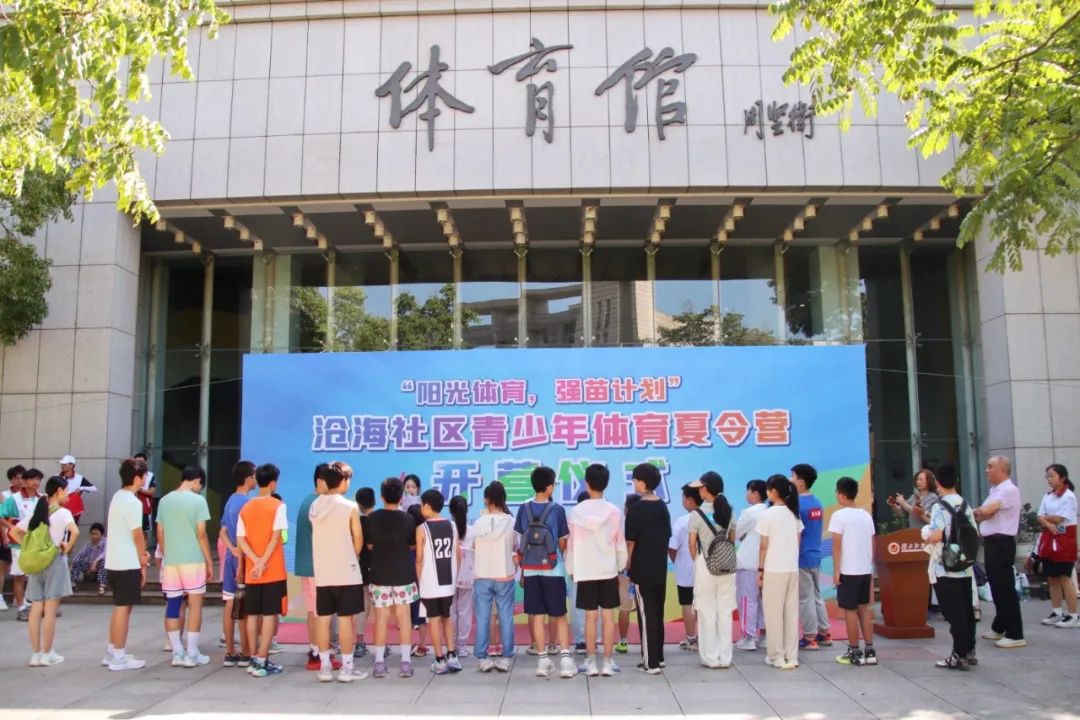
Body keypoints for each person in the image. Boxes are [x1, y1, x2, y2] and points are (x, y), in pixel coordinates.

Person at [514, 465, 576, 679]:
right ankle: (565, 661)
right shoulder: (557, 510)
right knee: (559, 615)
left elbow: (519, 540)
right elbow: (563, 542)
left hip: (531, 570)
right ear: (550, 487)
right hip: (554, 570)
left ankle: (542, 661)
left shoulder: (523, 509)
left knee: (538, 616)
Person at [567, 463, 627, 678]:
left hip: (585, 570)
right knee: (608, 617)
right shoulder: (614, 511)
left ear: (587, 484)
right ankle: (608, 662)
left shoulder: (576, 512)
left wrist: (572, 568)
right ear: (606, 484)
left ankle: (591, 662)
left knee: (590, 618)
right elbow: (620, 544)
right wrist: (620, 565)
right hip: (608, 570)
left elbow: (572, 544)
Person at [309, 463, 367, 682]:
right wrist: (353, 556)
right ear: (343, 481)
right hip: (346, 572)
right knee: (345, 620)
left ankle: (325, 667)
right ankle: (347, 668)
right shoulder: (350, 506)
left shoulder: (315, 505)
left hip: (323, 571)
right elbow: (358, 538)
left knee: (323, 619)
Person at [11, 476, 78, 666]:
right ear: (59, 491)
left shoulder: (38, 512)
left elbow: (14, 531)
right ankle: (48, 653)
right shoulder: (64, 513)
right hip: (54, 560)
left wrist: (29, 547)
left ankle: (36, 654)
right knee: (50, 609)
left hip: (36, 562)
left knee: (36, 607)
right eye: (66, 491)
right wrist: (66, 547)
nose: (68, 494)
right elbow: (75, 532)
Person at [921, 466, 978, 669]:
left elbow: (937, 535)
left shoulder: (940, 506)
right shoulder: (965, 504)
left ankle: (958, 655)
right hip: (964, 565)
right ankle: (969, 650)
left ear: (937, 482)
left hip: (945, 566)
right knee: (966, 610)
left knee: (954, 613)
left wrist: (926, 532)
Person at [157, 465, 214, 668]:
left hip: (171, 561)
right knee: (195, 605)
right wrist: (209, 561)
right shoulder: (198, 501)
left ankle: (177, 652)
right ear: (197, 480)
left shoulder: (164, 501)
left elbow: (160, 533)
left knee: (173, 606)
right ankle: (192, 652)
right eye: (200, 485)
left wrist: (168, 555)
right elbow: (201, 534)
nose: (199, 489)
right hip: (193, 560)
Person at [237, 463, 289, 677]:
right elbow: (276, 536)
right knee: (269, 615)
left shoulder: (246, 507)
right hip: (272, 569)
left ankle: (253, 658)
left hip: (252, 572)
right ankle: (261, 661)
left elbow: (241, 539)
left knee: (252, 614)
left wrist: (255, 561)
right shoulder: (278, 506)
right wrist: (263, 561)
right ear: (273, 483)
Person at [367, 477, 418, 679]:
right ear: (401, 497)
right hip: (403, 573)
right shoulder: (408, 519)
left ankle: (379, 663)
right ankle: (405, 662)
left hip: (379, 573)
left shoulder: (372, 518)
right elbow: (412, 545)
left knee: (381, 617)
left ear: (382, 497)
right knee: (404, 617)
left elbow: (369, 545)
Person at [103, 457, 151, 671]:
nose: (145, 480)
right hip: (127, 562)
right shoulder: (133, 502)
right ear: (137, 478)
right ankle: (119, 656)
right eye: (144, 476)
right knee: (124, 609)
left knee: (120, 607)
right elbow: (137, 533)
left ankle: (113, 651)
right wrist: (143, 557)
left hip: (114, 561)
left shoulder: (118, 496)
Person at [974, 455, 1025, 648]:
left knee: (1005, 588)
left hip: (1002, 542)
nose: (986, 470)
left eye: (990, 466)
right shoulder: (995, 490)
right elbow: (983, 513)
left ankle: (1015, 633)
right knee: (996, 586)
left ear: (1002, 469)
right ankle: (1000, 626)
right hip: (992, 543)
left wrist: (982, 512)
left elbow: (986, 511)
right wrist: (982, 512)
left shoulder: (1009, 490)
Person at [625, 463, 672, 675]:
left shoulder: (636, 509)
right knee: (657, 612)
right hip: (659, 567)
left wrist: (626, 564)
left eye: (635, 479)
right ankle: (658, 657)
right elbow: (666, 536)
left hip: (642, 569)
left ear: (642, 482)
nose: (634, 483)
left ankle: (650, 662)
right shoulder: (662, 506)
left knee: (646, 615)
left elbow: (630, 542)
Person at [688, 471, 736, 669]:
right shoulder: (729, 511)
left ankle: (711, 657)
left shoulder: (696, 514)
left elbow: (692, 544)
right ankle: (725, 657)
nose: (699, 490)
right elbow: (732, 538)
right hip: (727, 565)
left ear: (706, 489)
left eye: (700, 487)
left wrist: (698, 560)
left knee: (707, 610)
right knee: (725, 611)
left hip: (705, 564)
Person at [829, 477, 877, 666]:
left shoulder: (839, 516)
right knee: (864, 609)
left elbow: (836, 546)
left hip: (848, 571)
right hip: (865, 570)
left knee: (850, 611)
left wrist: (836, 571)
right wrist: (868, 564)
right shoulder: (866, 515)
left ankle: (854, 651)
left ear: (841, 494)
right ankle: (870, 651)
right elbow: (872, 543)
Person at [757, 474, 803, 670]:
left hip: (774, 569)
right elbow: (798, 542)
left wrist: (760, 570)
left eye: (768, 489)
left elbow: (763, 547)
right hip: (791, 568)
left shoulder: (768, 514)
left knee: (773, 614)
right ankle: (791, 656)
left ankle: (776, 656)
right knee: (791, 613)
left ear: (774, 491)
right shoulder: (794, 514)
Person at [472, 481, 517, 673]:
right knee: (506, 615)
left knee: (483, 616)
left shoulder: (478, 523)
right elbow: (515, 547)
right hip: (504, 573)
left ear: (486, 499)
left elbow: (474, 546)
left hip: (482, 573)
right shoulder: (511, 522)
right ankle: (506, 656)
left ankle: (483, 657)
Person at [416, 489, 461, 674]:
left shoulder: (422, 528)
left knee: (433, 619)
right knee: (447, 618)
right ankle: (452, 655)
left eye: (421, 504)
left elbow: (419, 559)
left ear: (427, 505)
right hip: (448, 582)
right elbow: (458, 555)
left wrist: (419, 581)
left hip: (430, 583)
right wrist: (454, 576)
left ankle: (440, 659)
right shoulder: (452, 525)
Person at [297, 465, 333, 672]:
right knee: (319, 613)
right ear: (320, 481)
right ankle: (320, 655)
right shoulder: (317, 503)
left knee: (313, 611)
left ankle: (315, 651)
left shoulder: (308, 501)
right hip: (316, 567)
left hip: (309, 565)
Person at [792, 463, 830, 651]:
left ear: (801, 482)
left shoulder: (797, 504)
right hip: (815, 554)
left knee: (805, 598)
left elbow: (797, 533)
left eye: (793, 476)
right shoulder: (817, 502)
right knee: (816, 595)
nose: (790, 480)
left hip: (802, 556)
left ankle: (809, 637)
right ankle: (824, 632)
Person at [221, 461, 255, 667]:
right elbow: (245, 535)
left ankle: (229, 652)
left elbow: (223, 531)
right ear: (248, 478)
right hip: (243, 560)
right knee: (244, 606)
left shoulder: (230, 501)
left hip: (230, 558)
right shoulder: (247, 503)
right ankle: (245, 652)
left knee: (230, 603)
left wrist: (232, 549)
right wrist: (240, 553)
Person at [1036, 464, 1078, 628]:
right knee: (1052, 577)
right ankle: (1057, 611)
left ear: (1063, 477)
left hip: (1064, 540)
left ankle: (1073, 615)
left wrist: (1046, 519)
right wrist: (1047, 522)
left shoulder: (1068, 496)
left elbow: (1059, 518)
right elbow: (1039, 516)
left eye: (1052, 476)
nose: (1049, 479)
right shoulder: (1048, 496)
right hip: (1049, 539)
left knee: (1064, 577)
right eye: (1047, 476)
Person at [1, 466, 39, 620]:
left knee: (36, 576)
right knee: (20, 576)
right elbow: (1, 515)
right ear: (24, 481)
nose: (36, 482)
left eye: (38, 479)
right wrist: (13, 528)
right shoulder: (14, 499)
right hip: (19, 544)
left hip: (36, 543)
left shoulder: (41, 498)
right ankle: (21, 608)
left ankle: (37, 605)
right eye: (32, 479)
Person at [735, 479, 768, 651]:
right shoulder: (768, 511)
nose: (746, 494)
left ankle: (748, 637)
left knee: (747, 600)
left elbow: (735, 533)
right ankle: (763, 635)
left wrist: (742, 534)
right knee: (761, 600)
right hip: (764, 563)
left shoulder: (750, 512)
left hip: (748, 562)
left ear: (755, 493)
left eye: (748, 491)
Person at [669, 483, 701, 653]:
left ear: (690, 499)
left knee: (687, 603)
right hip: (707, 569)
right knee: (704, 604)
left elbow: (672, 547)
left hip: (686, 569)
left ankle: (691, 638)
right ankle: (705, 638)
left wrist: (676, 562)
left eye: (683, 497)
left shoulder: (682, 521)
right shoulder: (710, 517)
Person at [449, 494, 475, 657]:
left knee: (451, 611)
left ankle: (451, 644)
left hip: (450, 574)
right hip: (467, 575)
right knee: (465, 611)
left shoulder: (448, 528)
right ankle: (462, 645)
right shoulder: (472, 530)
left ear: (451, 511)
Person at [615, 494, 640, 655]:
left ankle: (623, 641)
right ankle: (647, 639)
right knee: (644, 607)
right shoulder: (645, 522)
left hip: (626, 570)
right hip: (643, 569)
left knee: (624, 607)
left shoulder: (623, 524)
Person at [0, 465, 26, 612]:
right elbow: (2, 518)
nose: (20, 480)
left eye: (22, 478)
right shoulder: (4, 495)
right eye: (17, 478)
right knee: (2, 568)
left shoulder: (28, 496)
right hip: (7, 536)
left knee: (22, 570)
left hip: (22, 539)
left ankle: (19, 598)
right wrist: (5, 537)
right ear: (11, 479)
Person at [354, 485, 376, 658]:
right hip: (378, 568)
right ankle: (381, 644)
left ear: (358, 503)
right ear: (374, 501)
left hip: (360, 569)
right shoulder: (379, 520)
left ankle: (360, 642)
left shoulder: (356, 522)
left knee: (362, 606)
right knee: (379, 608)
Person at [58, 455, 97, 526]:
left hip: (73, 511)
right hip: (59, 509)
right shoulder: (56, 477)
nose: (62, 466)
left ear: (72, 465)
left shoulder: (79, 478)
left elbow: (94, 489)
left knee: (72, 530)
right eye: (62, 464)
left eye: (65, 464)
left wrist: (82, 488)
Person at [70, 522, 108, 594]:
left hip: (101, 568)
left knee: (103, 561)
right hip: (90, 568)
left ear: (102, 534)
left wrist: (96, 561)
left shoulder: (106, 542)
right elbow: (80, 555)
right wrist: (74, 562)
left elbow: (105, 554)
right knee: (77, 560)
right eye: (92, 534)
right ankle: (73, 584)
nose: (94, 536)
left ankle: (102, 586)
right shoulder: (88, 544)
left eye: (96, 534)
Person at [134, 453, 156, 548]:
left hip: (145, 509)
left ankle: (143, 553)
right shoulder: (130, 475)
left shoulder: (150, 475)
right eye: (137, 461)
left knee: (144, 532)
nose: (139, 463)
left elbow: (152, 491)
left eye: (141, 461)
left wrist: (140, 489)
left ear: (146, 462)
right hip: (132, 508)